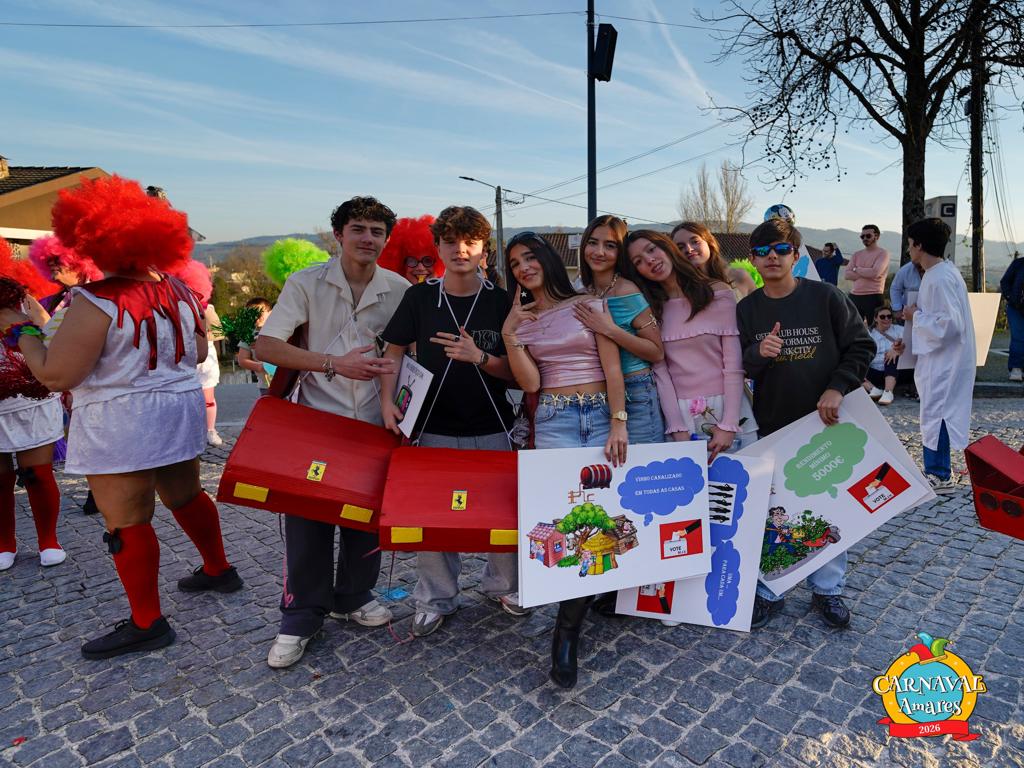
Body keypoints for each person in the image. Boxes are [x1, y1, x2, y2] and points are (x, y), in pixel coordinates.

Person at [3, 176, 243, 658]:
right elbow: (199, 351)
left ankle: (147, 622)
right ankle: (219, 569)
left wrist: (20, 331)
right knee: (185, 494)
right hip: (178, 411)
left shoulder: (95, 300)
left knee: (127, 520)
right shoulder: (178, 288)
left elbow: (57, 375)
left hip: (122, 422)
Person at [255, 196, 408, 669]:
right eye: (358, 229)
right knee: (307, 523)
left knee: (366, 520)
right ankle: (300, 615)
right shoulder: (305, 282)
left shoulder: (400, 288)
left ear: (387, 239)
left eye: (377, 231)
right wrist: (333, 364)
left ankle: (353, 596)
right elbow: (267, 345)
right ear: (338, 234)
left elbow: (409, 353)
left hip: (376, 422)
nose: (368, 239)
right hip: (317, 419)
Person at [380, 206, 525, 637]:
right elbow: (393, 351)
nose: (460, 249)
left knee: (503, 513)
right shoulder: (420, 298)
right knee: (433, 518)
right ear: (438, 248)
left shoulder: (501, 301)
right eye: (450, 242)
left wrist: (479, 357)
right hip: (432, 426)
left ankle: (505, 586)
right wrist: (387, 402)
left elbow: (519, 373)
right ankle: (436, 597)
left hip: (492, 424)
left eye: (470, 242)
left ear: (484, 250)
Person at [500, 232, 628, 690]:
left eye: (529, 257)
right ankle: (566, 632)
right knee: (567, 520)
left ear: (548, 259)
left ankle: (571, 621)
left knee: (603, 517)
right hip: (554, 420)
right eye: (515, 263)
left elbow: (612, 368)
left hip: (599, 415)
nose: (523, 267)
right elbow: (531, 384)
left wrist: (618, 422)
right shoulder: (522, 319)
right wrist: (510, 334)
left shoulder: (587, 304)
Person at [737, 216, 874, 630]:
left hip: (826, 421)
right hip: (773, 424)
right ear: (753, 260)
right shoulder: (748, 309)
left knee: (831, 504)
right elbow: (740, 366)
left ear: (795, 256)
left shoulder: (826, 296)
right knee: (773, 512)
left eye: (781, 250)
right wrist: (759, 353)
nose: (772, 257)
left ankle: (828, 590)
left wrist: (837, 387)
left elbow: (861, 346)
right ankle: (771, 589)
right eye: (762, 252)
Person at [629, 230, 758, 457]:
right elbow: (661, 373)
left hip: (730, 409)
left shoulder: (717, 292)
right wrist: (677, 428)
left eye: (651, 249)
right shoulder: (649, 309)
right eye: (638, 261)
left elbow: (733, 364)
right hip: (679, 416)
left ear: (667, 247)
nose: (649, 260)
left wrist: (729, 424)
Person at [892, 219, 975, 493]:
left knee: (936, 412)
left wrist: (914, 315)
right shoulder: (942, 272)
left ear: (919, 245)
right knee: (936, 410)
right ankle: (938, 469)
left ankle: (939, 473)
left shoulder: (938, 278)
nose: (908, 250)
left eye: (909, 244)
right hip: (942, 357)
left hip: (944, 361)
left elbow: (950, 325)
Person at [575, 215, 665, 444]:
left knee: (641, 464)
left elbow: (656, 352)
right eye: (593, 242)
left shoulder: (627, 292)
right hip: (597, 394)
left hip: (636, 392)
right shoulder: (581, 291)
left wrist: (610, 329)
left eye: (610, 246)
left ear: (620, 252)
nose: (599, 252)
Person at [0, 274, 65, 571]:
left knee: (37, 474)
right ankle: (5, 543)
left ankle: (48, 541)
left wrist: (17, 323)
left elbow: (48, 332)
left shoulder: (20, 297)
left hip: (30, 399)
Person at [377, 216, 444, 285]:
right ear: (401, 265)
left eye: (428, 261)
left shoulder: (447, 290)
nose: (420, 268)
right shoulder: (393, 291)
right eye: (412, 261)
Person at [844, 225, 890, 324]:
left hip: (873, 296)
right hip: (854, 296)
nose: (865, 238)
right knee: (853, 328)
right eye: (862, 236)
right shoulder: (856, 254)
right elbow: (847, 275)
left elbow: (875, 273)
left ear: (877, 236)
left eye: (868, 236)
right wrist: (867, 272)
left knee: (875, 329)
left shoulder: (883, 253)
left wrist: (856, 269)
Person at [862, 305, 904, 406]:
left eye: (889, 316)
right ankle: (873, 389)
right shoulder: (869, 334)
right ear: (876, 318)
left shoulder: (898, 330)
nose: (886, 319)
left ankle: (888, 392)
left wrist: (896, 349)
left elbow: (909, 341)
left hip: (895, 371)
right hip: (875, 371)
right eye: (882, 317)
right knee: (853, 366)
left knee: (891, 355)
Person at [236, 297, 274, 394]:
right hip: (266, 385)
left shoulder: (279, 332)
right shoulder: (249, 335)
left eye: (259, 313)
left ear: (271, 313)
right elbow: (242, 360)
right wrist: (260, 367)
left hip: (287, 382)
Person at [999, 252, 1024, 382]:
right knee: (1018, 337)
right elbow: (1005, 282)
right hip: (1016, 307)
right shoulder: (1018, 264)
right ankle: (1016, 368)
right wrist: (1010, 297)